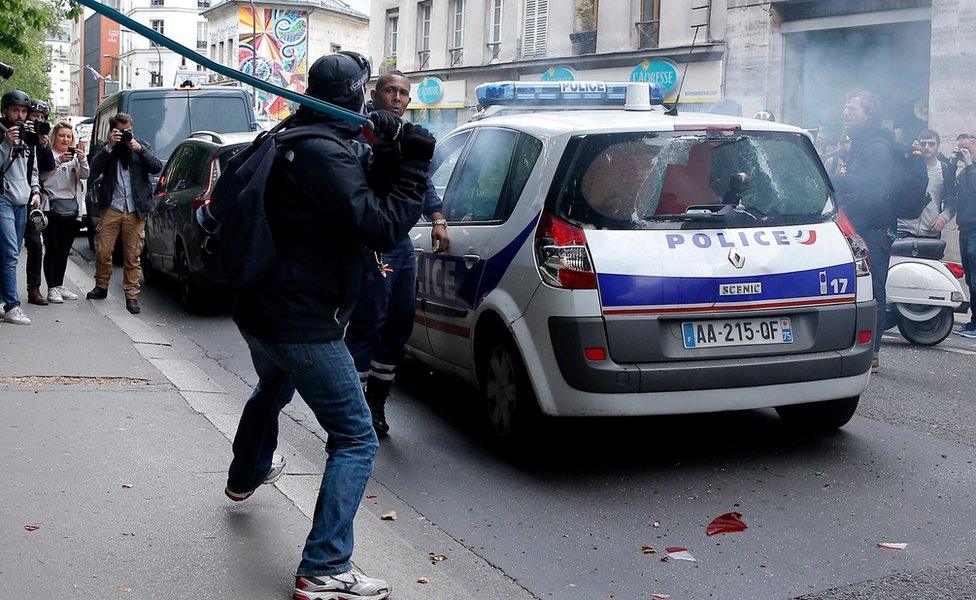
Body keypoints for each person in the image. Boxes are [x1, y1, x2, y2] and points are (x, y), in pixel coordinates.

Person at [225, 52, 434, 599]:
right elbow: (382, 225)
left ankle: (245, 475)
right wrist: (411, 162)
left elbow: (356, 201)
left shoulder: (295, 136)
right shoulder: (322, 152)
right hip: (300, 320)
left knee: (273, 385)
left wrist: (384, 149)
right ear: (352, 96)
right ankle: (325, 566)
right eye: (367, 94)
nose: (373, 102)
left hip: (262, 311)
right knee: (356, 436)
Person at [345, 70, 449, 437]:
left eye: (404, 93)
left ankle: (375, 403)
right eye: (390, 90)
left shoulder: (409, 137)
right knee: (368, 323)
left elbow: (421, 182)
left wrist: (438, 218)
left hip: (400, 245)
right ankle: (352, 413)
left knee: (399, 322)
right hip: (372, 243)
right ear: (375, 95)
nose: (397, 97)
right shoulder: (360, 132)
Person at [831, 91, 897, 372]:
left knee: (874, 291)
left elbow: (868, 189)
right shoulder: (858, 145)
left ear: (868, 114)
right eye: (845, 107)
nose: (846, 112)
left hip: (874, 231)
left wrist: (835, 176)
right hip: (855, 228)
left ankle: (873, 353)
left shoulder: (877, 148)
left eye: (852, 109)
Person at [86, 112, 162, 315]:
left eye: (127, 130)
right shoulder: (107, 148)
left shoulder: (140, 145)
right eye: (120, 131)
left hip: (135, 209)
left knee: (132, 255)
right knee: (103, 251)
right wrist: (109, 147)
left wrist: (139, 149)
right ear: (113, 131)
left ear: (132, 127)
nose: (125, 134)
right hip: (113, 205)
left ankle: (132, 296)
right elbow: (93, 168)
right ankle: (101, 286)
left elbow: (156, 167)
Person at [0, 90, 42, 325]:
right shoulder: (1, 133)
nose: (20, 115)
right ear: (5, 110)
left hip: (23, 201)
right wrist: (6, 144)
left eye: (24, 111)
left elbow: (32, 169)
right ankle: (12, 306)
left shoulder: (29, 136)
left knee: (9, 254)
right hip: (3, 198)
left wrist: (35, 191)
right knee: (10, 254)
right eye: (15, 110)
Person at [40, 122, 87, 303]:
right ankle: (51, 288)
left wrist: (82, 160)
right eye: (61, 135)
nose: (65, 139)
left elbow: (85, 176)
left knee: (64, 250)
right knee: (52, 248)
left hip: (71, 209)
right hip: (51, 207)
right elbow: (44, 178)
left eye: (68, 136)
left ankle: (59, 285)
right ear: (54, 137)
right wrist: (58, 162)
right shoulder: (48, 155)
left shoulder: (75, 157)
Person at [897, 129, 957, 238]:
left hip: (931, 230)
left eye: (931, 144)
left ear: (938, 147)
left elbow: (951, 202)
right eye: (923, 144)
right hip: (904, 229)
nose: (927, 147)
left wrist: (943, 218)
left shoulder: (944, 170)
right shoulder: (907, 167)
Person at [25, 99, 55, 306]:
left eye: (42, 118)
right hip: (10, 195)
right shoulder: (16, 134)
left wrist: (43, 145)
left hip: (33, 197)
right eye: (34, 116)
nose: (38, 121)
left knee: (36, 245)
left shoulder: (40, 141)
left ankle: (34, 289)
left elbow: (48, 167)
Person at [953, 133, 976, 338]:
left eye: (967, 149)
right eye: (960, 149)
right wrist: (954, 164)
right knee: (970, 279)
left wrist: (969, 165)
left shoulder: (971, 170)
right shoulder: (965, 171)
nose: (963, 153)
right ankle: (973, 321)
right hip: (965, 228)